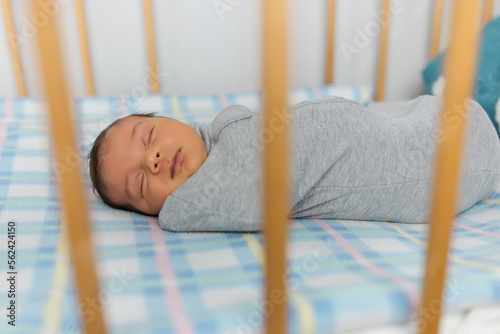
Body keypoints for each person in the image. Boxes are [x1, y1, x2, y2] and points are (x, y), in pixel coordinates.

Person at [88, 95, 500, 232]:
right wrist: (170, 212)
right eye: (140, 184)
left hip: (418, 119)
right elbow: (242, 196)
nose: (153, 159)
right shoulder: (212, 193)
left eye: (148, 137)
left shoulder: (220, 134)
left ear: (170, 118)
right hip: (438, 161)